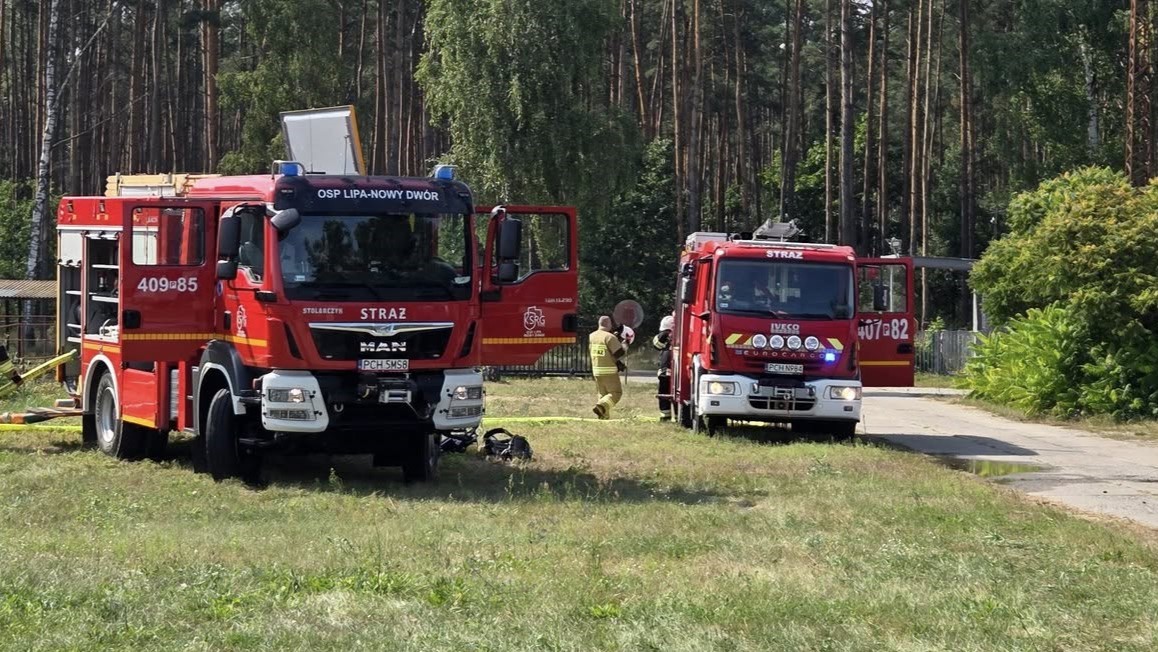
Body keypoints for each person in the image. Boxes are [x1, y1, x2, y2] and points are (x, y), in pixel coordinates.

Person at [589, 315, 627, 419]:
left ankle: (603, 416)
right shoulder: (610, 337)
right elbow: (619, 353)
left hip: (596, 370)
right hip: (609, 371)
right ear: (608, 324)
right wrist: (625, 344)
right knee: (616, 393)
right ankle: (601, 406)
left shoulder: (592, 336)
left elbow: (605, 352)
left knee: (603, 394)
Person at [652, 314, 675, 421]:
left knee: (664, 392)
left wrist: (664, 334)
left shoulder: (665, 336)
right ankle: (669, 416)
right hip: (669, 371)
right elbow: (657, 345)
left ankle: (666, 416)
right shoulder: (670, 336)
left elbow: (656, 345)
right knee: (669, 393)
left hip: (666, 370)